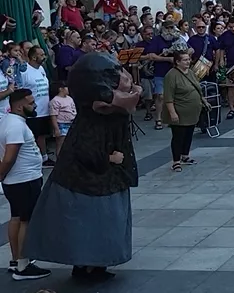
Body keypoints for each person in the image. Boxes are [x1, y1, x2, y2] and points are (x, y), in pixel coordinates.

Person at [25, 54, 141, 282]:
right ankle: (87, 266)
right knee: (88, 226)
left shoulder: (108, 114)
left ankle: (95, 265)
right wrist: (110, 158)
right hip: (86, 183)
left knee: (99, 224)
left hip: (102, 181)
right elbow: (86, 149)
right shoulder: (94, 117)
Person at [0, 89, 52, 280]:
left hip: (19, 180)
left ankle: (16, 261)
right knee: (26, 220)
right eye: (31, 103)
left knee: (17, 217)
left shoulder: (10, 121)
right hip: (23, 180)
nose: (35, 105)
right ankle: (23, 265)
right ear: (20, 106)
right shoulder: (15, 126)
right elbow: (9, 157)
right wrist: (1, 174)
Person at [163, 50, 206, 172]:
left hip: (192, 112)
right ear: (177, 62)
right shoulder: (171, 75)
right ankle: (176, 161)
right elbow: (168, 96)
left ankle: (185, 155)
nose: (188, 62)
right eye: (185, 60)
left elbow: (197, 87)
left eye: (188, 59)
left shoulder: (190, 72)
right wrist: (172, 113)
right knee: (178, 136)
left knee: (188, 134)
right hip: (180, 111)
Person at [19, 45, 52, 167]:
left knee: (42, 135)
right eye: (41, 54)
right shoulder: (25, 71)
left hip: (45, 109)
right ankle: (37, 159)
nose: (44, 57)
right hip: (33, 110)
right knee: (34, 136)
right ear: (33, 57)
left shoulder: (41, 69)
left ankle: (44, 157)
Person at [49, 81, 76, 155]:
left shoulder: (70, 98)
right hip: (61, 124)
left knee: (70, 144)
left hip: (71, 122)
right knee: (61, 144)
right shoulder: (55, 101)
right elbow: (53, 115)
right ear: (61, 89)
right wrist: (56, 128)